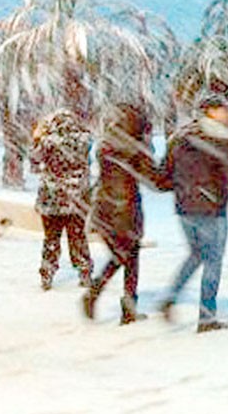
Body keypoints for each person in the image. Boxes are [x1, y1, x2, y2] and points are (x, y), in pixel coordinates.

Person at [158, 94, 228, 333]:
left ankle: (170, 297)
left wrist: (185, 188)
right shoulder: (219, 137)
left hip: (185, 209)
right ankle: (206, 318)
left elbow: (163, 177)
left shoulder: (179, 138)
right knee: (213, 260)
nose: (227, 113)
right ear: (210, 111)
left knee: (196, 254)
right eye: (223, 109)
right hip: (212, 209)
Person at [82, 103, 164, 325]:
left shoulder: (107, 144)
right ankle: (123, 305)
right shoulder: (135, 149)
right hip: (125, 210)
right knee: (128, 256)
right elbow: (155, 181)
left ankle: (100, 294)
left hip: (104, 208)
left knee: (120, 256)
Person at [31, 107, 94, 291]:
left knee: (51, 239)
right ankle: (84, 271)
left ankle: (47, 273)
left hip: (52, 200)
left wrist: (37, 136)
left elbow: (34, 159)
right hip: (76, 199)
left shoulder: (47, 141)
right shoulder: (83, 141)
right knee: (78, 237)